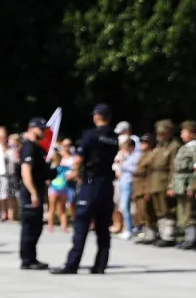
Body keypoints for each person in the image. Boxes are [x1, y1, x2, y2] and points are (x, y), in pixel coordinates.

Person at [51, 103, 120, 274]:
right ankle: (100, 265)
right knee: (103, 228)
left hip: (91, 183)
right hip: (106, 185)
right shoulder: (114, 137)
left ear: (96, 116)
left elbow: (79, 158)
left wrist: (74, 173)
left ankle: (72, 264)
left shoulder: (91, 135)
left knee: (81, 224)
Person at [19, 117, 50, 269]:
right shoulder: (29, 147)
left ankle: (32, 257)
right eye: (41, 129)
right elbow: (26, 172)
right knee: (30, 226)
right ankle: (27, 260)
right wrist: (33, 192)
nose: (44, 131)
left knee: (36, 226)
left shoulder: (38, 148)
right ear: (31, 128)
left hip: (38, 189)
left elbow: (43, 173)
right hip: (31, 192)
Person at [146, 120, 178, 246]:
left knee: (167, 208)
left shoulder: (174, 146)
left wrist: (171, 185)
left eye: (163, 133)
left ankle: (169, 235)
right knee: (158, 208)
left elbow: (173, 167)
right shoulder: (159, 146)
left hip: (165, 180)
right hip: (155, 180)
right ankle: (162, 233)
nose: (160, 135)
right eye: (159, 133)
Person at [172, 122, 196, 248]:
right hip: (181, 181)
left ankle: (192, 238)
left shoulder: (194, 147)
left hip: (188, 181)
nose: (182, 134)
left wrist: (192, 186)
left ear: (192, 134)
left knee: (190, 210)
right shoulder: (185, 147)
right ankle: (187, 237)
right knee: (184, 210)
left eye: (184, 132)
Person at [115, 131, 140, 238]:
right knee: (122, 206)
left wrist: (123, 165)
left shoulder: (136, 156)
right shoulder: (127, 156)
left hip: (129, 182)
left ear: (131, 147)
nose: (124, 149)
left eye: (126, 147)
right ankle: (128, 228)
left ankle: (129, 229)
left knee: (125, 206)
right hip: (123, 182)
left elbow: (135, 169)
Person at [48, 138, 76, 232]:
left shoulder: (70, 161)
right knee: (52, 207)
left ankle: (64, 226)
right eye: (65, 145)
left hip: (64, 186)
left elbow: (74, 171)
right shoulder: (55, 161)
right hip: (55, 186)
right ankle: (50, 225)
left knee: (62, 207)